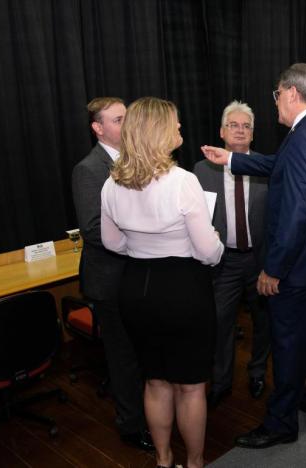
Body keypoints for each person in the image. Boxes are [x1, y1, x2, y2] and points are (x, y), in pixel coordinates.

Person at [201, 63, 306, 449]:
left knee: (288, 344)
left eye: (277, 94)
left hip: (299, 267)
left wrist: (274, 269)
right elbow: (281, 166)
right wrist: (231, 159)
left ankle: (281, 422)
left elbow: (296, 212)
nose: (276, 101)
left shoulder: (305, 136)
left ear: (292, 93)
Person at [101, 97, 224, 468]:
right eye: (175, 123)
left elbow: (112, 243)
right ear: (158, 131)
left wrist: (144, 246)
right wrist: (215, 242)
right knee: (190, 385)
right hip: (183, 289)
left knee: (155, 381)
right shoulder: (183, 182)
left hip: (136, 287)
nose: (180, 128)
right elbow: (208, 252)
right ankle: (196, 462)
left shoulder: (112, 184)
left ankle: (163, 459)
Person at [71, 97, 153, 451]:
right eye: (118, 120)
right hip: (111, 280)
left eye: (127, 118)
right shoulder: (89, 169)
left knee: (143, 351)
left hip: (139, 274)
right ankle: (131, 425)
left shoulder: (138, 160)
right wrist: (146, 236)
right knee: (123, 358)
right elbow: (92, 229)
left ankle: (153, 414)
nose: (126, 124)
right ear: (98, 128)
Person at [194, 100, 270, 408]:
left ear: (253, 133)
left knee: (264, 321)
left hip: (261, 260)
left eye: (246, 126)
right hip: (223, 261)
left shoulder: (266, 167)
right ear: (222, 132)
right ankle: (221, 380)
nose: (240, 130)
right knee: (220, 322)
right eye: (233, 125)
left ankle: (258, 372)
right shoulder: (202, 170)